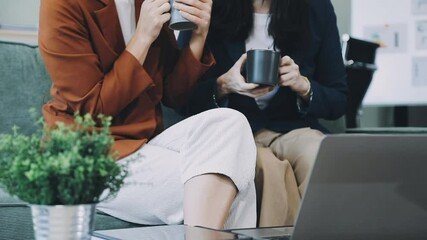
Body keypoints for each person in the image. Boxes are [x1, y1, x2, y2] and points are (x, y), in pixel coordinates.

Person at [38, 0, 257, 229]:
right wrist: (142, 37)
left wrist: (198, 36)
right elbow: (93, 108)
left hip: (142, 145)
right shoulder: (62, 4)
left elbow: (174, 95)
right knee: (234, 183)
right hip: (86, 153)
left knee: (231, 122)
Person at [178, 0, 348, 226]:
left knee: (318, 155)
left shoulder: (315, 8)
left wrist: (304, 86)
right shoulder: (211, 7)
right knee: (268, 168)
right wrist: (223, 85)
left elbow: (338, 98)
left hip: (291, 127)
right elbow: (180, 98)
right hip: (234, 132)